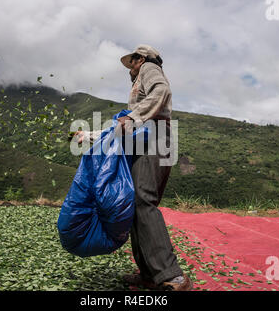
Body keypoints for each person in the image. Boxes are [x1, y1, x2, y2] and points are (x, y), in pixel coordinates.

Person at [75, 44, 192, 291]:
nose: (129, 68)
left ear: (141, 59)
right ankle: (149, 274)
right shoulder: (138, 82)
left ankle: (172, 275)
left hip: (157, 138)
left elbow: (161, 91)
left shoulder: (150, 68)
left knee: (142, 201)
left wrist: (132, 117)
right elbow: (117, 130)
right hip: (146, 140)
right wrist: (89, 135)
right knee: (135, 204)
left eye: (132, 62)